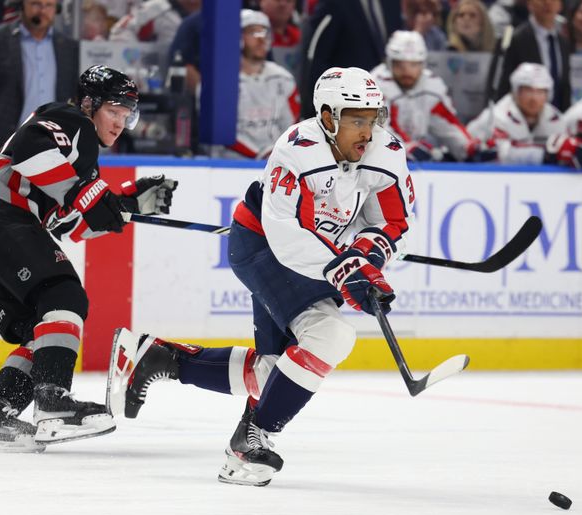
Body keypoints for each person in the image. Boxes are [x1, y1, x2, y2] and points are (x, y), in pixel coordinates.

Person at [108, 66, 413, 486]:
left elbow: (393, 221)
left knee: (276, 370)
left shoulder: (386, 151)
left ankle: (156, 357)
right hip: (262, 248)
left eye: (373, 118)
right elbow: (286, 236)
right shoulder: (297, 148)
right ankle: (251, 441)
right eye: (356, 119)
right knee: (330, 337)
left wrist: (367, 254)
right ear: (327, 116)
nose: (368, 130)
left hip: (317, 256)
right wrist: (348, 269)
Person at [0, 65, 178, 452]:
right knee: (63, 297)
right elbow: (29, 148)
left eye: (126, 115)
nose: (119, 123)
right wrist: (88, 192)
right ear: (89, 103)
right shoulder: (73, 121)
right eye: (113, 111)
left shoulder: (77, 161)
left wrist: (125, 203)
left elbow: (70, 224)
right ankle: (53, 402)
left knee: (42, 325)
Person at [0, 0, 79, 151]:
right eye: (36, 4)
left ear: (57, 9)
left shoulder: (70, 47)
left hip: (55, 148)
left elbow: (74, 98)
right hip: (3, 147)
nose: (42, 10)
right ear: (21, 5)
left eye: (49, 5)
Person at [370, 31, 487, 162]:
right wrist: (405, 149)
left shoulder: (431, 86)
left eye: (413, 65)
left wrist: (467, 147)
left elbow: (447, 124)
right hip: (377, 161)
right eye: (400, 65)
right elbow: (378, 128)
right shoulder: (374, 85)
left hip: (411, 159)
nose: (407, 71)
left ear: (422, 64)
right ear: (390, 64)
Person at [216, 9, 300, 159]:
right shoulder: (219, 81)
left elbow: (291, 126)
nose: (261, 40)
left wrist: (278, 153)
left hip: (277, 162)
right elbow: (223, 133)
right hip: (232, 163)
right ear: (238, 37)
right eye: (254, 33)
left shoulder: (283, 78)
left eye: (265, 33)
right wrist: (260, 154)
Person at [467, 62, 564, 164]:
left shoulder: (556, 118)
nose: (534, 98)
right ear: (516, 91)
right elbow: (502, 154)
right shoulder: (496, 116)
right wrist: (545, 156)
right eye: (528, 90)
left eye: (540, 92)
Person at [491, 0, 572, 110]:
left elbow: (564, 87)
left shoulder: (563, 43)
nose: (547, 2)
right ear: (529, 4)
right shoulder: (512, 38)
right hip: (520, 117)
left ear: (560, 5)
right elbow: (500, 85)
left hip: (554, 119)